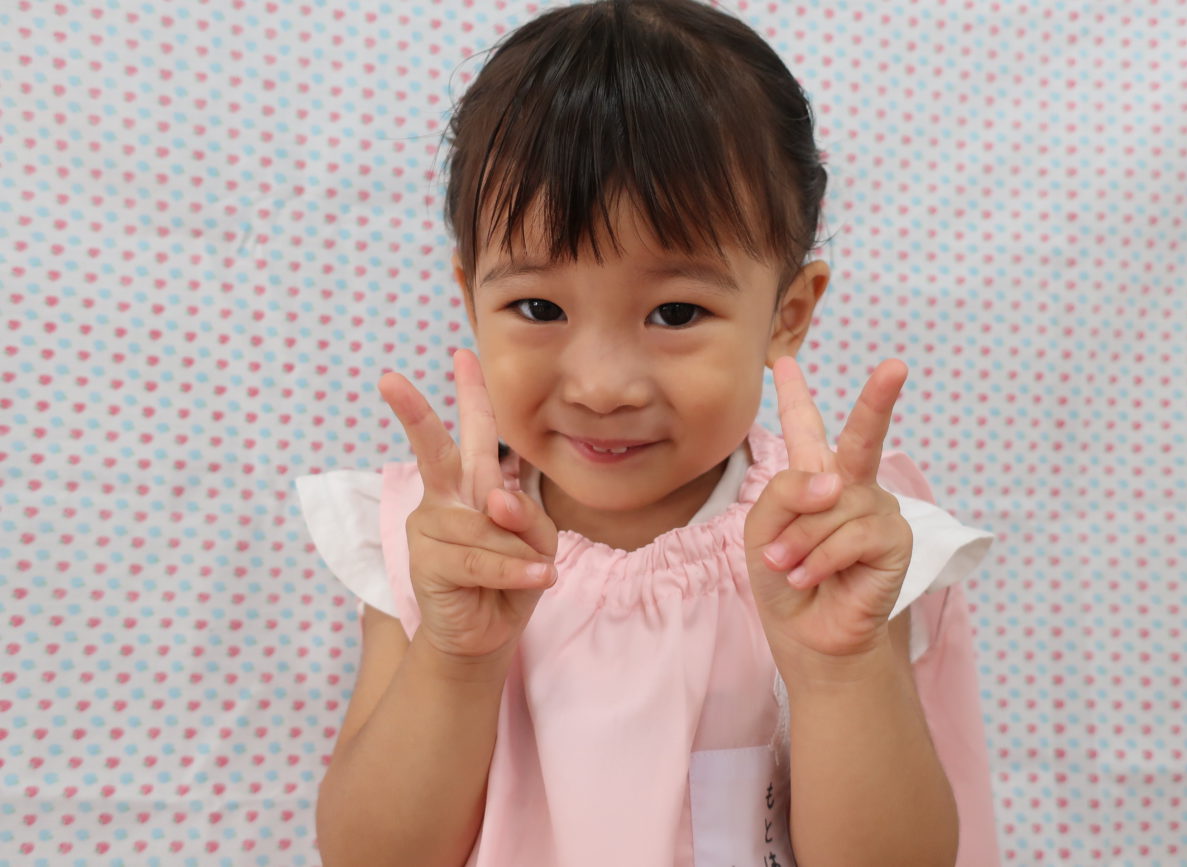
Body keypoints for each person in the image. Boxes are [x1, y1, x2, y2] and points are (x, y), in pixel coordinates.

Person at [293, 1, 996, 864]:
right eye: (538, 307)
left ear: (788, 314)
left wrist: (840, 668)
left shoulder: (833, 538)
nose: (603, 387)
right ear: (471, 296)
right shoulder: (433, 538)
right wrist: (452, 657)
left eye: (675, 312)